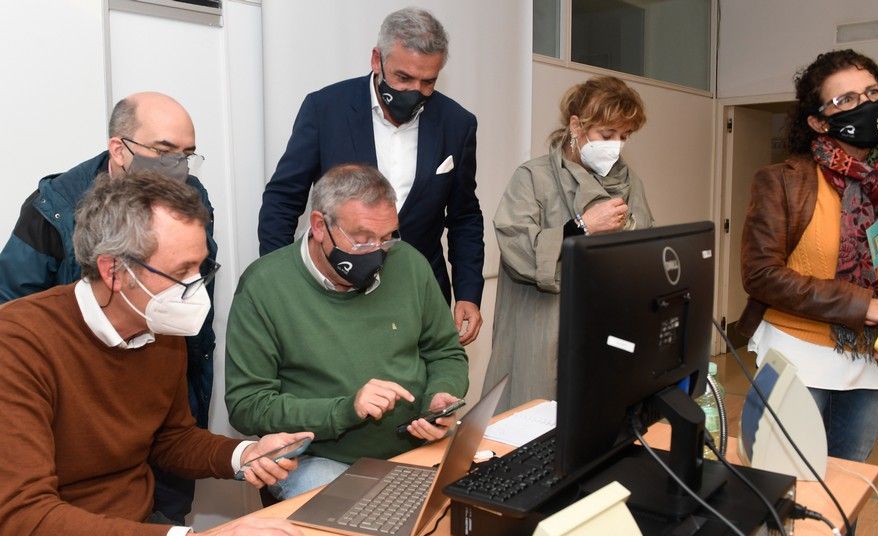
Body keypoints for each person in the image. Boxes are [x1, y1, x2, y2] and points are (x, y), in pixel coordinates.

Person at [0, 172, 314, 536]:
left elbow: (169, 439)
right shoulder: (17, 344)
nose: (196, 290)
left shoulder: (160, 326)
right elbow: (22, 522)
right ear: (114, 271)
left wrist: (244, 454)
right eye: (181, 271)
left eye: (201, 268)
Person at [0, 92, 215, 525]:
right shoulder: (54, 208)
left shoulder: (189, 196)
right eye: (164, 152)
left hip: (155, 380)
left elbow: (173, 440)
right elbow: (17, 308)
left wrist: (243, 453)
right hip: (72, 418)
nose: (178, 167)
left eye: (187, 154)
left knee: (162, 510)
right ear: (119, 148)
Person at [737, 49, 878, 536]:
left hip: (875, 364)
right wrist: (866, 305)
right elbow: (761, 275)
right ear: (817, 119)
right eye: (847, 98)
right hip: (798, 358)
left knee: (846, 485)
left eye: (873, 92)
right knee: (787, 486)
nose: (866, 105)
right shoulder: (783, 180)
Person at [227, 164, 469, 499]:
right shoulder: (264, 287)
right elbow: (248, 405)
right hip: (320, 459)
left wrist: (440, 396)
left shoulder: (408, 263)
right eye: (362, 239)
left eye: (386, 238)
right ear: (319, 226)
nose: (377, 252)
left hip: (414, 448)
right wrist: (345, 409)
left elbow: (445, 352)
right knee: (378, 525)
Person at [258, 6, 484, 346]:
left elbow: (465, 216)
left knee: (422, 392)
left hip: (419, 294)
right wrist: (277, 280)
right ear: (376, 60)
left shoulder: (457, 123)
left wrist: (468, 291)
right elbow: (282, 199)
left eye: (428, 82)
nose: (415, 91)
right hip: (337, 288)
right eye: (403, 78)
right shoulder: (326, 109)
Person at [482, 76, 653, 413]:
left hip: (602, 323)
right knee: (530, 420)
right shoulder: (532, 177)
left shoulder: (629, 182)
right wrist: (583, 227)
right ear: (576, 126)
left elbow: (644, 249)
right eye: (607, 135)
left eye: (624, 136)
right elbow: (518, 249)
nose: (616, 145)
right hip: (539, 324)